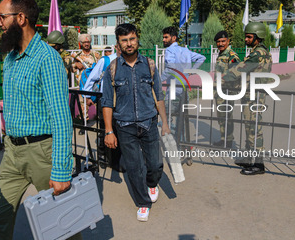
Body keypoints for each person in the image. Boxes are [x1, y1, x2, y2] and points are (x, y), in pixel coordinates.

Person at [0, 0, 81, 239]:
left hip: (42, 152)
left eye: (2, 16)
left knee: (64, 223)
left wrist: (62, 170)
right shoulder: (10, 57)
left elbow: (62, 118)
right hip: (12, 152)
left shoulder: (47, 58)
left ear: (20, 18)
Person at [102, 23, 170, 222]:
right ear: (119, 44)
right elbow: (106, 102)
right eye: (124, 40)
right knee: (134, 167)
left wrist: (164, 123)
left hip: (149, 123)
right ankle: (143, 203)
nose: (129, 44)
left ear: (137, 39)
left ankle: (151, 183)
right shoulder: (112, 69)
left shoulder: (149, 65)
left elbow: (158, 96)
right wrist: (108, 131)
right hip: (124, 126)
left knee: (156, 165)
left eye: (132, 39)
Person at [223, 22, 272, 175]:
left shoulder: (257, 54)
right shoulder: (262, 52)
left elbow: (239, 70)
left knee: (254, 128)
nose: (246, 39)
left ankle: (258, 165)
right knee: (250, 127)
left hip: (254, 96)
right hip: (252, 94)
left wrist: (224, 77)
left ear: (258, 37)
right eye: (246, 36)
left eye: (249, 36)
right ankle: (248, 159)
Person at [83, 44, 123, 172]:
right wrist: (87, 96)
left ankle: (116, 161)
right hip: (104, 99)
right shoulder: (105, 61)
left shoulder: (129, 62)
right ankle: (102, 156)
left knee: (118, 129)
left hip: (121, 101)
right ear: (116, 46)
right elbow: (92, 78)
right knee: (104, 128)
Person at [161, 26, 206, 134]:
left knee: (167, 120)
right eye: (163, 37)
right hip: (184, 90)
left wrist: (159, 80)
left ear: (174, 38)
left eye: (166, 37)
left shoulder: (170, 50)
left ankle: (172, 147)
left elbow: (170, 68)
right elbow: (202, 58)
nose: (163, 40)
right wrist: (191, 70)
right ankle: (183, 145)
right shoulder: (185, 50)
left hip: (173, 91)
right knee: (181, 120)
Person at [213, 30, 240, 148]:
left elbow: (235, 74)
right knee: (221, 115)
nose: (220, 44)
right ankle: (224, 138)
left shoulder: (232, 56)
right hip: (219, 91)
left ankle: (228, 140)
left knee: (227, 115)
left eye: (223, 41)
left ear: (228, 41)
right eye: (218, 42)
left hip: (227, 91)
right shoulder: (221, 55)